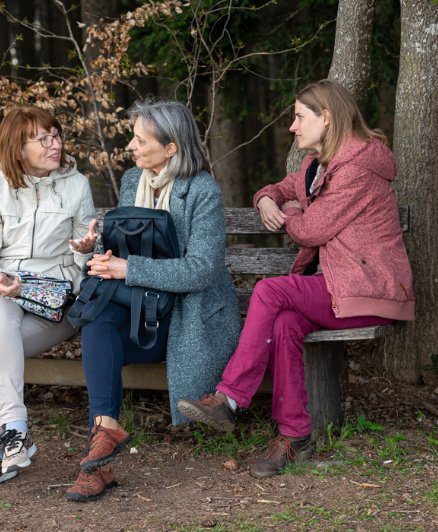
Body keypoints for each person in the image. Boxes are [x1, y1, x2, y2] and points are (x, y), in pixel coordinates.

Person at [177, 79, 415, 479]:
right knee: (285, 324)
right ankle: (295, 436)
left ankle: (229, 398)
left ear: (326, 117)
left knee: (270, 290)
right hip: (338, 289)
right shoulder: (315, 167)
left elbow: (310, 231)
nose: (292, 126)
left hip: (369, 291)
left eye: (299, 117)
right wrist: (270, 198)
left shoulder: (358, 167)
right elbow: (276, 189)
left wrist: (291, 212)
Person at [64, 100, 240, 502]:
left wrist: (129, 270)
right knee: (97, 317)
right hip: (140, 307)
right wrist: (97, 249)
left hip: (184, 317)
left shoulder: (202, 192)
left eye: (141, 139)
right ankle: (102, 446)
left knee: (102, 317)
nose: (131, 146)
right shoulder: (132, 180)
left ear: (172, 147)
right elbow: (126, 246)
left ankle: (98, 457)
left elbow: (201, 270)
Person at [0, 106, 97, 491]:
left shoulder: (76, 186)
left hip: (55, 304)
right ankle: (14, 433)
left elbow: (82, 264)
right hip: (6, 294)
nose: (56, 144)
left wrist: (85, 249)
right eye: (44, 138)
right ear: (19, 148)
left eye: (56, 135)